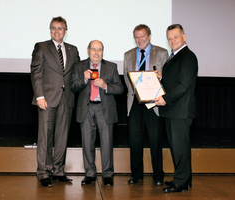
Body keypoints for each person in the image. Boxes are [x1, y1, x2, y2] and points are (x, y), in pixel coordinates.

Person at [30, 16, 80, 187]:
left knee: (62, 137)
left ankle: (58, 171)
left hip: (67, 99)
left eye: (60, 28)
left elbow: (76, 74)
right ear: (50, 30)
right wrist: (39, 96)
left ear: (66, 30)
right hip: (47, 99)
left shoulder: (73, 50)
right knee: (45, 137)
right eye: (53, 28)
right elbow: (36, 72)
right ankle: (44, 172)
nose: (56, 31)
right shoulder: (41, 47)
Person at [70, 40, 124, 186]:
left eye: (99, 50)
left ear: (102, 51)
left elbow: (120, 88)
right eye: (93, 49)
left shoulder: (111, 67)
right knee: (87, 143)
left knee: (107, 143)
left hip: (104, 108)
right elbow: (73, 87)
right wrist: (84, 79)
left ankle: (107, 175)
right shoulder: (79, 66)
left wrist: (106, 86)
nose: (96, 52)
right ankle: (90, 174)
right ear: (88, 50)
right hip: (86, 109)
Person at [154, 24, 198, 193]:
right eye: (169, 38)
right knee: (176, 148)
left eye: (175, 37)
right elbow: (176, 79)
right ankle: (181, 179)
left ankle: (182, 181)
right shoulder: (175, 57)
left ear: (184, 37)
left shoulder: (188, 56)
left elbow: (184, 85)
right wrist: (162, 76)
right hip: (173, 111)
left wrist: (165, 99)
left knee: (180, 148)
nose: (172, 40)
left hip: (180, 111)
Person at [123, 24, 168, 185]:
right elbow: (126, 80)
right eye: (137, 37)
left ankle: (158, 176)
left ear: (149, 36)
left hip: (154, 102)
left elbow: (169, 78)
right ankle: (136, 175)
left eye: (142, 36)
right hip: (134, 101)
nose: (139, 39)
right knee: (134, 140)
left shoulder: (162, 53)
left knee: (155, 140)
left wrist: (162, 77)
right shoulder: (128, 55)